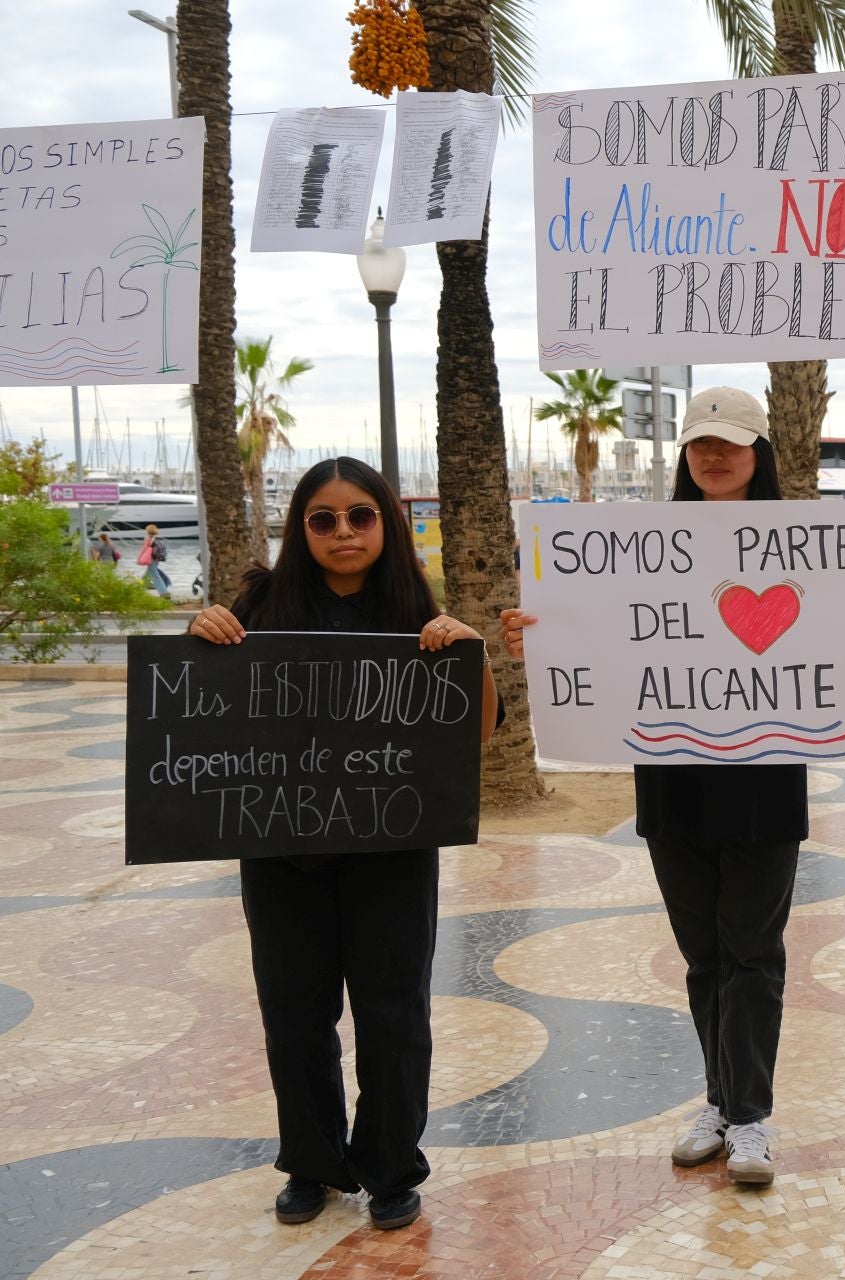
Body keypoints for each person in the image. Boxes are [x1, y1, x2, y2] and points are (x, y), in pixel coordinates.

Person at [503, 387, 845, 1188]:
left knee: (752, 952)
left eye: (730, 443)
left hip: (763, 783)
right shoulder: (641, 547)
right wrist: (543, 636)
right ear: (684, 457)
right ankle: (720, 1100)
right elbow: (595, 631)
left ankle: (750, 1115)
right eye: (699, 445)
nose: (713, 457)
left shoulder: (809, 546)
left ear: (760, 452)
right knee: (702, 956)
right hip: (673, 781)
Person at [186, 456, 499, 1232]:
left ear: (385, 524)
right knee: (293, 1012)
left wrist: (470, 653)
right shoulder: (260, 602)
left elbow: (479, 727)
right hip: (279, 848)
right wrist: (201, 632)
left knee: (394, 1013)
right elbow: (200, 710)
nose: (343, 532)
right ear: (301, 529)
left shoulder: (412, 609)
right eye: (322, 519)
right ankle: (311, 1161)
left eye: (360, 515)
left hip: (392, 847)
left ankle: (392, 1167)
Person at [139, 524, 171, 598]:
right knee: (148, 573)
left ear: (147, 531)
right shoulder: (155, 538)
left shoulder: (147, 538)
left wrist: (139, 558)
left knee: (155, 575)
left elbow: (144, 548)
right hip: (156, 558)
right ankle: (141, 586)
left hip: (151, 558)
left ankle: (164, 593)